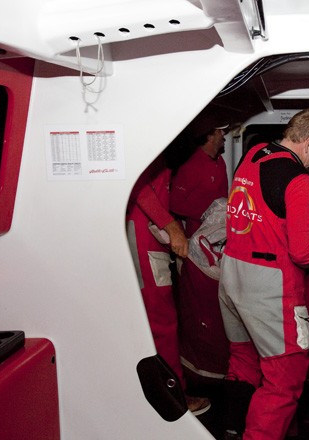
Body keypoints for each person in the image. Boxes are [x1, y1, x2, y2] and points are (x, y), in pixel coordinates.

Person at [218, 108, 309, 440]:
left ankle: (231, 428)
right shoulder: (298, 178)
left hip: (231, 272)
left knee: (243, 361)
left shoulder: (255, 152)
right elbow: (303, 251)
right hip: (268, 283)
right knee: (285, 377)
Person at [126, 153, 211, 416]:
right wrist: (172, 226)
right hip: (145, 241)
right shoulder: (145, 147)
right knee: (161, 322)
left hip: (147, 238)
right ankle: (175, 398)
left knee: (154, 321)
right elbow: (138, 187)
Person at [170, 122, 230, 237]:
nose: (223, 134)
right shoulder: (192, 165)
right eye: (219, 131)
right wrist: (205, 214)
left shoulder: (220, 161)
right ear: (210, 137)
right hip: (198, 235)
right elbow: (174, 203)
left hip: (219, 231)